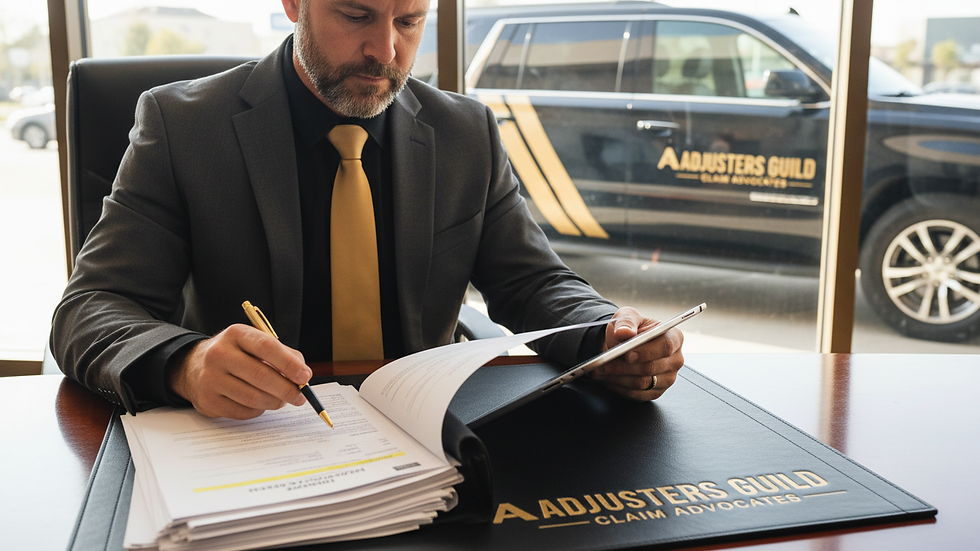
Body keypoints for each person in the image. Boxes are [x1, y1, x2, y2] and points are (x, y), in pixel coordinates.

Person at [51, 0, 684, 420]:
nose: (384, 49)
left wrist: (607, 333)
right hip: (252, 442)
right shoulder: (184, 127)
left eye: (409, 21)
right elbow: (88, 309)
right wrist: (185, 364)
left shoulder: (465, 132)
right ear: (294, 4)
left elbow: (531, 281)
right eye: (356, 14)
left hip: (427, 430)